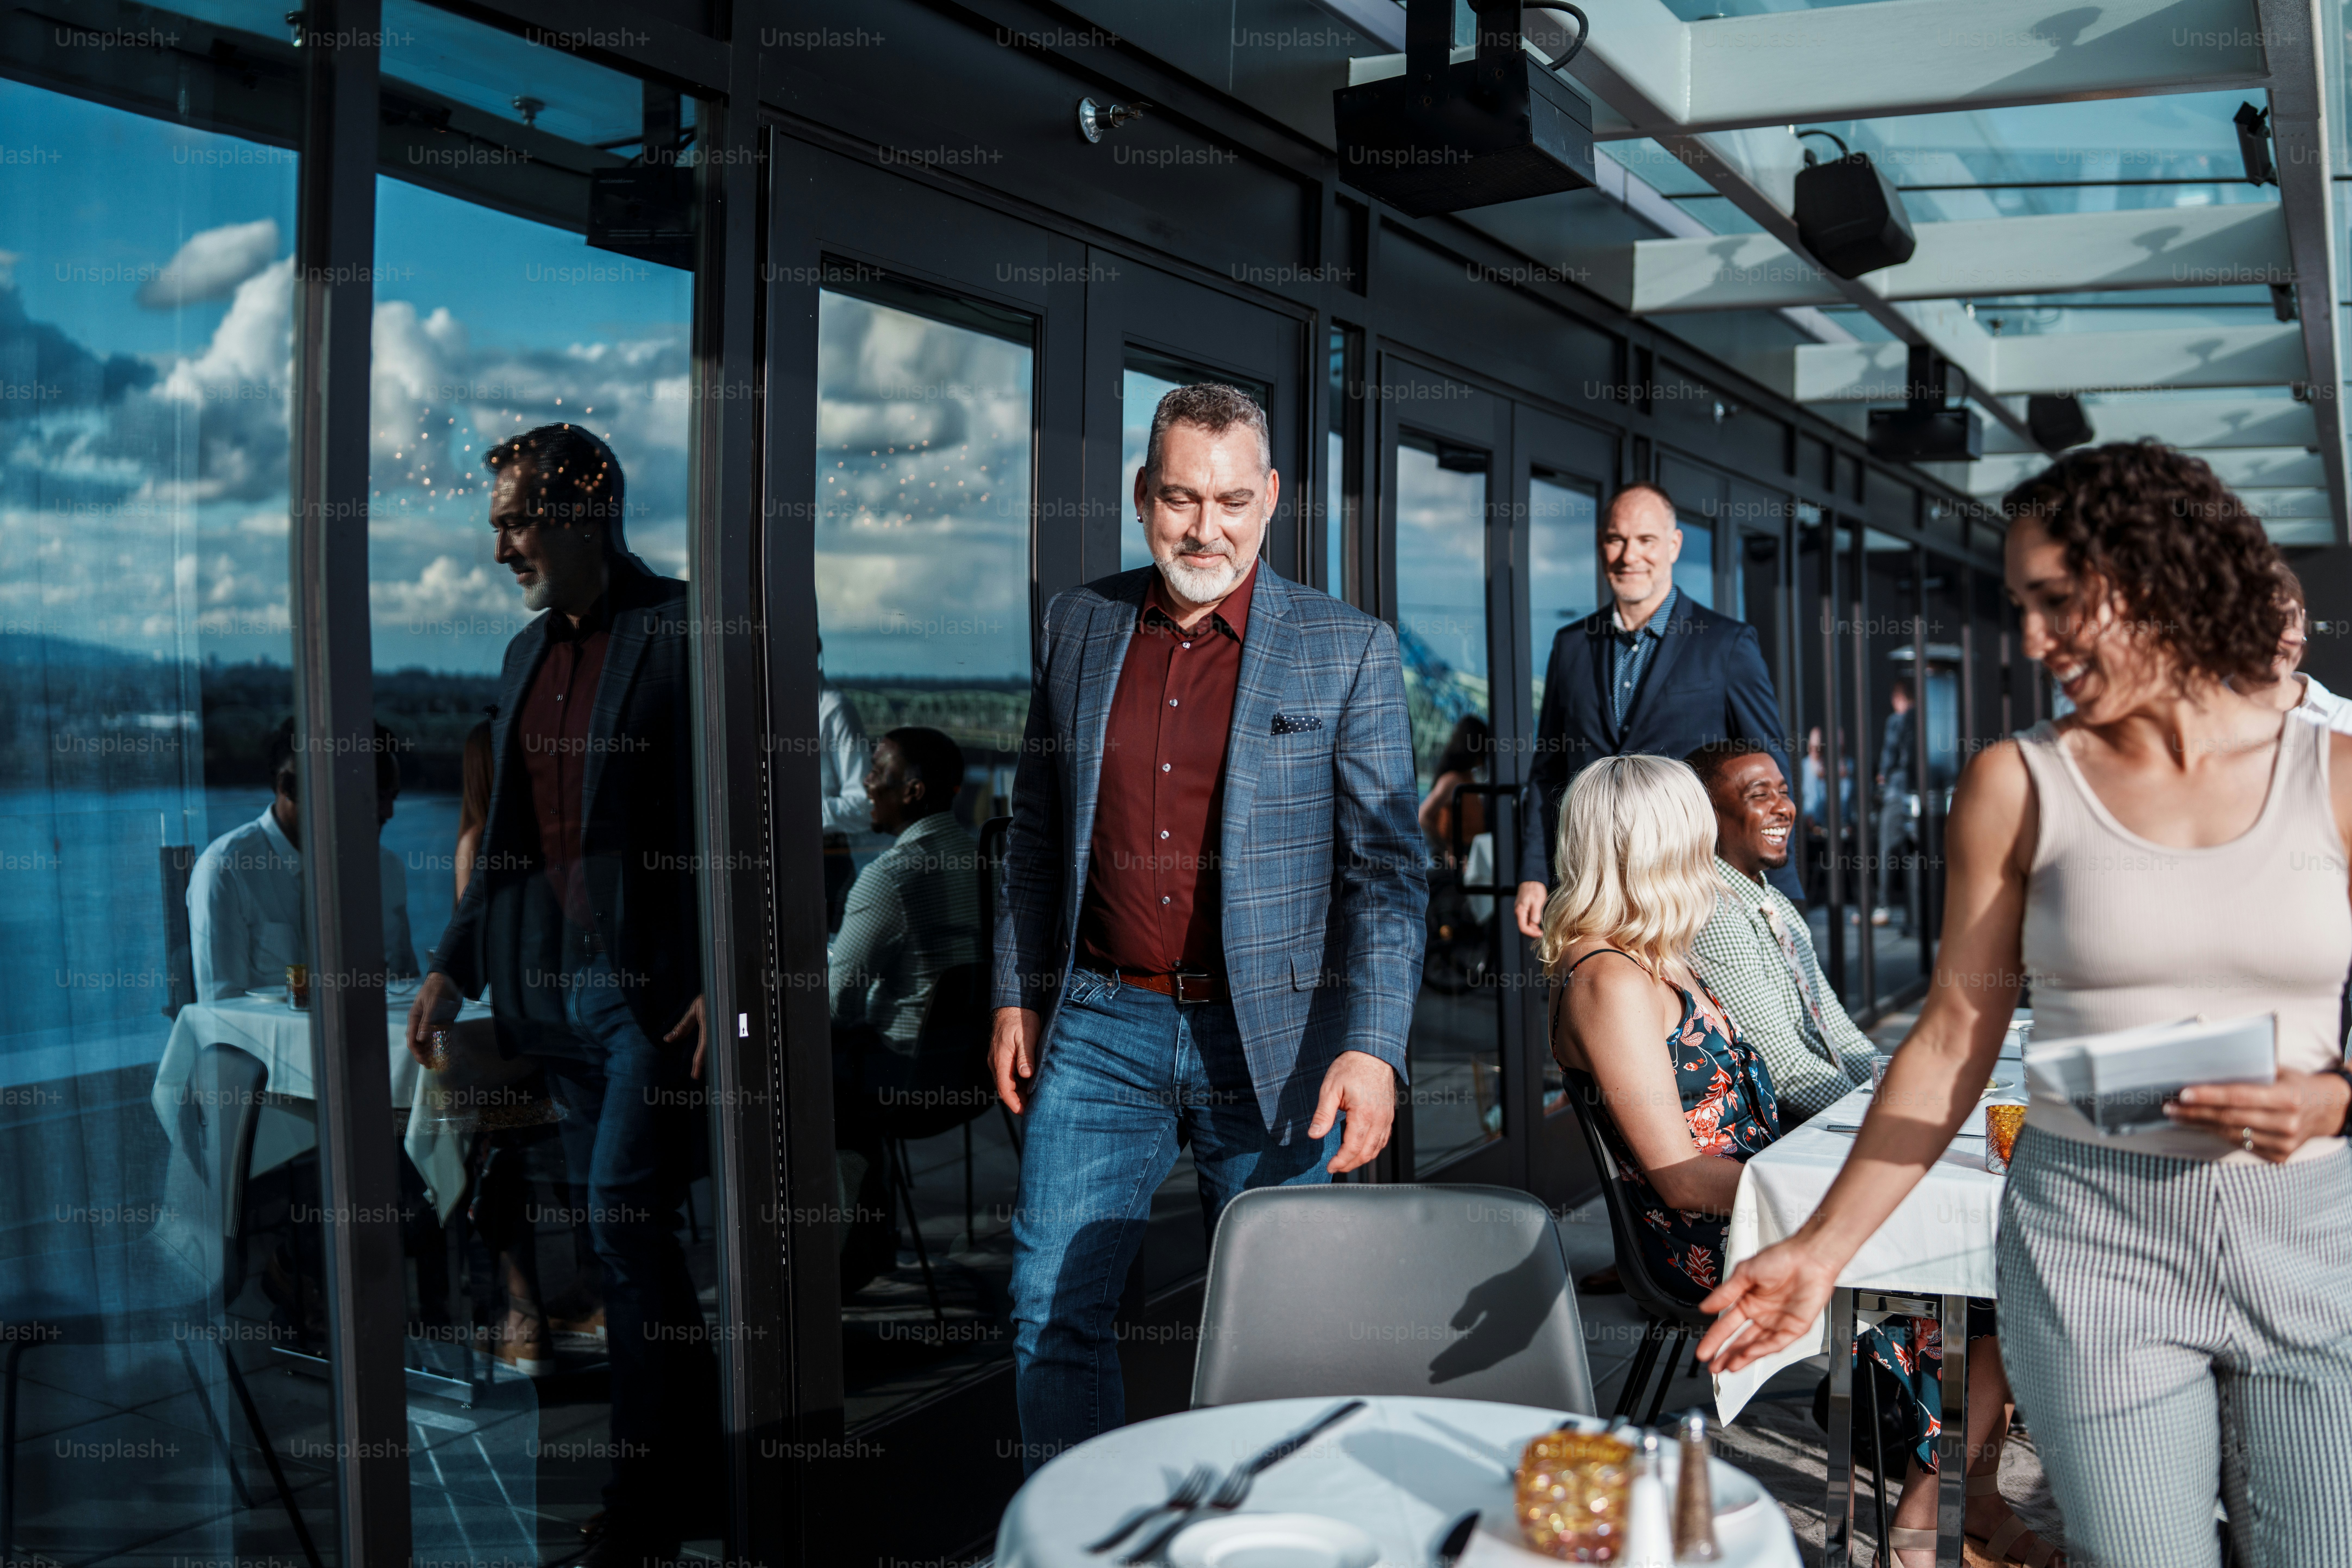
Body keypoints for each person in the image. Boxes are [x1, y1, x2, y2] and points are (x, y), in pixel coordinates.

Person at [1700, 441, 2352, 1568]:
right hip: (2093, 1248)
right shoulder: (2015, 783)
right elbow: (1950, 1039)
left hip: (2308, 1239)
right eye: (2022, 607)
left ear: (2160, 575)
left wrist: (2335, 1097)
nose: (2033, 641)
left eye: (2056, 604)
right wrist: (1814, 1252)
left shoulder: (2331, 771)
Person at [991, 382, 1426, 1467]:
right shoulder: (1077, 626)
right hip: (1099, 1025)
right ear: (1143, 497)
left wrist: (1372, 1046)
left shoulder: (1349, 650)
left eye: (1232, 500)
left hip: (1276, 1046)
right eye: (1181, 499)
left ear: (1270, 497)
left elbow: (1386, 871)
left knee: (1284, 1336)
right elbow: (1033, 831)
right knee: (1051, 1317)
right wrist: (1013, 988)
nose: (1207, 528)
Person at [1544, 755, 2041, 1568]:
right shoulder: (1610, 981)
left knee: (1990, 1258)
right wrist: (1843, 1200)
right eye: (1695, 838)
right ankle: (1924, 1531)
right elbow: (1675, 1176)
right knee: (1987, 1275)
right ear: (1661, 847)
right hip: (1710, 1235)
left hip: (1765, 1197)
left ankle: (1962, 1501)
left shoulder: (1658, 957)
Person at [405, 424, 711, 1568]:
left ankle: (644, 1511)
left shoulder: (684, 629)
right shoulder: (524, 656)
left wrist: (726, 981)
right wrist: (452, 962)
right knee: (630, 1240)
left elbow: (744, 820)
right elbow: (509, 847)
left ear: (585, 511)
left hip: (654, 999)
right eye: (497, 523)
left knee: (626, 1229)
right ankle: (702, 1467)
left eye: (516, 521)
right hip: (558, 997)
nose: (500, 549)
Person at [1514, 482, 1797, 942]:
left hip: (1698, 891)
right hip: (1595, 890)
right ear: (1602, 546)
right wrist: (1533, 874)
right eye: (1616, 539)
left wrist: (1778, 891)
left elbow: (1766, 773)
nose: (1629, 556)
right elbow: (1547, 772)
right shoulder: (1571, 646)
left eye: (1645, 540)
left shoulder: (1726, 643)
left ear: (1674, 545)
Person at [829, 726, 980, 1291]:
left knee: (804, 1078)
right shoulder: (977, 857)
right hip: (964, 1070)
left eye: (877, 772)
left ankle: (837, 1261)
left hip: (903, 1078)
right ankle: (869, 1246)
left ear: (913, 792)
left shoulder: (889, 877)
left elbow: (835, 1004)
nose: (865, 784)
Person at [1685, 741, 1875, 1122]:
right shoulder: (1715, 912)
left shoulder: (1772, 901)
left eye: (1784, 793)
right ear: (1708, 815)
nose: (1785, 808)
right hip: (1785, 1137)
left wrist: (1906, 1098)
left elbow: (1838, 1032)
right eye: (1760, 795)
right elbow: (1787, 1071)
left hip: (1831, 1118)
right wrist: (1884, 1125)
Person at [190, 718, 416, 1000]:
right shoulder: (227, 870)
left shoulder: (386, 868)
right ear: (291, 787)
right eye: (369, 797)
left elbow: (410, 990)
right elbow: (219, 1017)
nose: (388, 812)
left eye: (392, 796)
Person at [2237, 563, 2352, 733]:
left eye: (2285, 624)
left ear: (2303, 621)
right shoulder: (2196, 718)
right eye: (2254, 628)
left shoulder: (2345, 721)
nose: (2272, 643)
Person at [1874, 678, 1917, 931]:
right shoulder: (1923, 719)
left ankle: (1883, 905)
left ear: (1897, 699)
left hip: (1896, 791)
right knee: (1913, 854)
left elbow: (1890, 754)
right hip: (1916, 794)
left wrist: (1882, 775)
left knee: (1886, 850)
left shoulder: (1897, 721)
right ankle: (1915, 910)